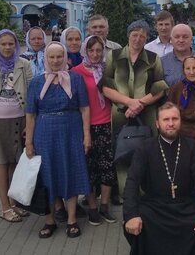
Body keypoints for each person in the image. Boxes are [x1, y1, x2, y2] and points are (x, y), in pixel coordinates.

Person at [122, 103, 195, 255]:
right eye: (166, 120)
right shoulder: (145, 148)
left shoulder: (192, 147)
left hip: (184, 204)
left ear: (180, 121)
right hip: (154, 205)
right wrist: (131, 215)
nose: (171, 123)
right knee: (139, 223)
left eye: (174, 119)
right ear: (157, 124)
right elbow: (132, 181)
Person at [25, 42, 91, 239]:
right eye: (51, 57)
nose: (55, 61)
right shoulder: (36, 82)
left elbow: (85, 109)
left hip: (71, 131)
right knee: (48, 175)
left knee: (70, 171)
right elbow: (30, 115)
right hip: (45, 134)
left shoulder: (76, 79)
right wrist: (29, 142)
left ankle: (71, 220)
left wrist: (87, 135)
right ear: (46, 58)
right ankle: (49, 220)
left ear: (65, 58)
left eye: (59, 57)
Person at [100, 20, 169, 196]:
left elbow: (159, 88)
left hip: (146, 115)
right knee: (123, 154)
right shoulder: (113, 56)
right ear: (128, 35)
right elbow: (106, 87)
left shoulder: (153, 59)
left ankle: (147, 198)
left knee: (148, 153)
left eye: (142, 36)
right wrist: (129, 102)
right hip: (120, 115)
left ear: (147, 38)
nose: (138, 39)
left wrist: (140, 104)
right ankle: (128, 199)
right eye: (134, 35)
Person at [0, 29, 33, 223]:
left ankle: (14, 203)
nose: (8, 47)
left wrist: (30, 122)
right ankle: (5, 207)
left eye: (11, 43)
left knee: (16, 162)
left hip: (20, 118)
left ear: (16, 45)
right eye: (3, 44)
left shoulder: (24, 65)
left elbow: (30, 94)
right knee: (3, 162)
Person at [72, 35, 117, 225]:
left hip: (107, 123)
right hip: (86, 127)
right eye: (91, 50)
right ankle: (92, 207)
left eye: (99, 50)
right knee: (88, 168)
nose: (96, 54)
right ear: (85, 51)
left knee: (107, 166)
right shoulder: (76, 72)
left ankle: (104, 205)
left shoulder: (108, 70)